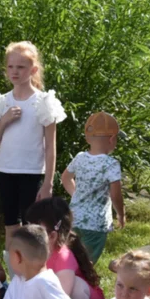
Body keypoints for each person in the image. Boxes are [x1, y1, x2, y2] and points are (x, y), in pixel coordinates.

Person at [0, 41, 66, 231]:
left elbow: (50, 147)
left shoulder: (44, 102)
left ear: (33, 69)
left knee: (32, 226)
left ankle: (33, 260)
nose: (15, 71)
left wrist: (48, 184)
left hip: (32, 172)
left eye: (21, 67)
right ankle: (13, 260)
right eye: (11, 66)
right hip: (5, 170)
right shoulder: (1, 102)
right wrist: (4, 120)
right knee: (10, 223)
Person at [25, 197, 104, 299]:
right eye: (28, 226)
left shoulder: (64, 257)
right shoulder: (34, 251)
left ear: (52, 235)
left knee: (77, 285)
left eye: (35, 228)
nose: (28, 232)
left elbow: (61, 296)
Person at [61, 111, 124, 263]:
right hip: (96, 224)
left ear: (88, 138)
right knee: (87, 263)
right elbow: (116, 195)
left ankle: (67, 281)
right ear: (112, 139)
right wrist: (121, 214)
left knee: (70, 259)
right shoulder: (111, 164)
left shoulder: (80, 157)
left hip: (74, 218)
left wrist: (78, 196)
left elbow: (65, 178)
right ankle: (82, 284)